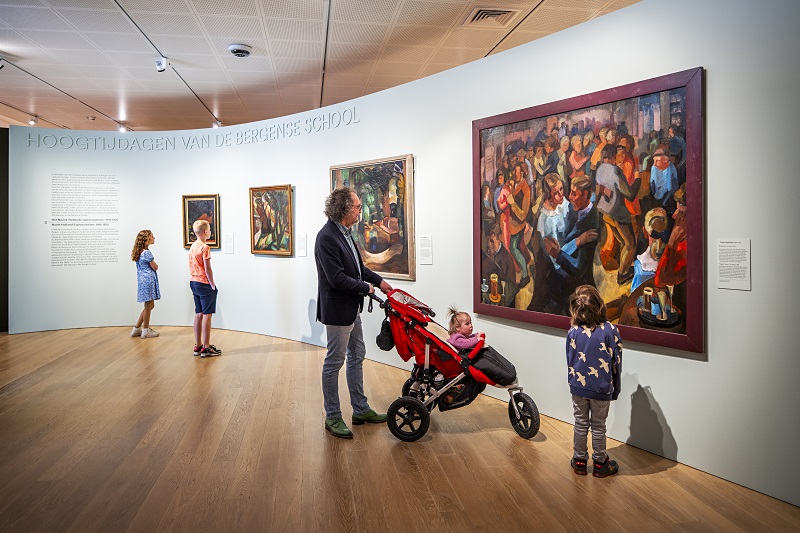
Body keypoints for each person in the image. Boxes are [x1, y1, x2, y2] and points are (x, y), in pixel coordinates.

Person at [315, 188, 393, 439]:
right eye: (358, 207)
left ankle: (360, 409)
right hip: (338, 310)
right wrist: (366, 288)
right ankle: (333, 416)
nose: (361, 211)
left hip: (351, 308)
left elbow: (358, 269)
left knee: (357, 354)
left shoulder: (346, 234)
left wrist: (379, 281)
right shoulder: (326, 237)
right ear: (345, 209)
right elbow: (337, 279)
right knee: (334, 362)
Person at [566, 285, 622, 478]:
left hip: (578, 387)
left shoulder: (573, 331)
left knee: (580, 423)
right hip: (601, 388)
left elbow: (570, 360)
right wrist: (615, 389)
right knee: (599, 426)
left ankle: (579, 461)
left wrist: (572, 382)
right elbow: (617, 363)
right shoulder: (610, 331)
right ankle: (600, 463)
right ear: (599, 305)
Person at [189, 219, 221, 358]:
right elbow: (208, 269)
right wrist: (212, 284)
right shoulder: (205, 247)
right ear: (206, 232)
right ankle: (206, 347)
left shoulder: (193, 246)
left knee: (199, 313)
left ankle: (198, 345)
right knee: (207, 314)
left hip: (193, 282)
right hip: (204, 283)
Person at [130, 230, 160, 338]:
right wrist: (156, 266)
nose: (154, 238)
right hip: (148, 280)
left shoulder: (139, 252)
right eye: (152, 236)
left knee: (150, 305)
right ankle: (145, 330)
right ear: (147, 239)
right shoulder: (147, 253)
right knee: (148, 306)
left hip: (142, 280)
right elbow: (155, 267)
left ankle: (137, 328)